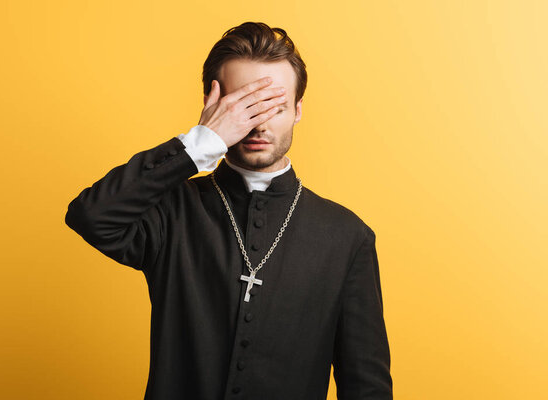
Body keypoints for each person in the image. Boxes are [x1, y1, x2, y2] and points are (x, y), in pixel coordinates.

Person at [65, 21, 392, 400]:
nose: (259, 123)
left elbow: (366, 387)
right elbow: (91, 216)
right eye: (243, 107)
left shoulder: (347, 235)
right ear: (213, 105)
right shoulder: (172, 210)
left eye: (275, 106)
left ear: (298, 110)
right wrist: (202, 142)